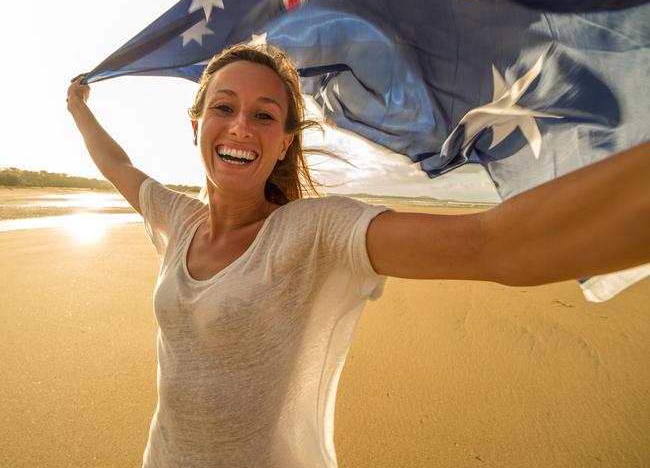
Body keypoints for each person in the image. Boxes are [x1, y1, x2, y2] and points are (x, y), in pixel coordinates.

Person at [67, 43, 650, 468]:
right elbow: (118, 165)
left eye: (265, 114)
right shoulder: (178, 219)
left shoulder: (313, 233)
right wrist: (79, 109)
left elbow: (488, 244)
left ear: (283, 143)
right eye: (224, 107)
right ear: (195, 124)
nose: (241, 125)